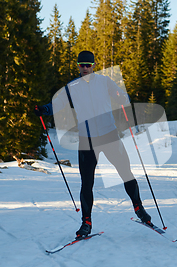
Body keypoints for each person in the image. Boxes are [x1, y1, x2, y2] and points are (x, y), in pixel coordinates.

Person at [34, 50, 151, 238]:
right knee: (86, 182)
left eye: (88, 65)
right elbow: (57, 104)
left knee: (125, 173)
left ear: (93, 65)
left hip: (109, 135)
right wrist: (44, 109)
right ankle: (86, 223)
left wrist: (123, 98)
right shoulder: (72, 87)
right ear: (78, 66)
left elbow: (122, 96)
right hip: (87, 140)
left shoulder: (104, 82)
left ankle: (139, 208)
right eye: (82, 65)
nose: (85, 68)